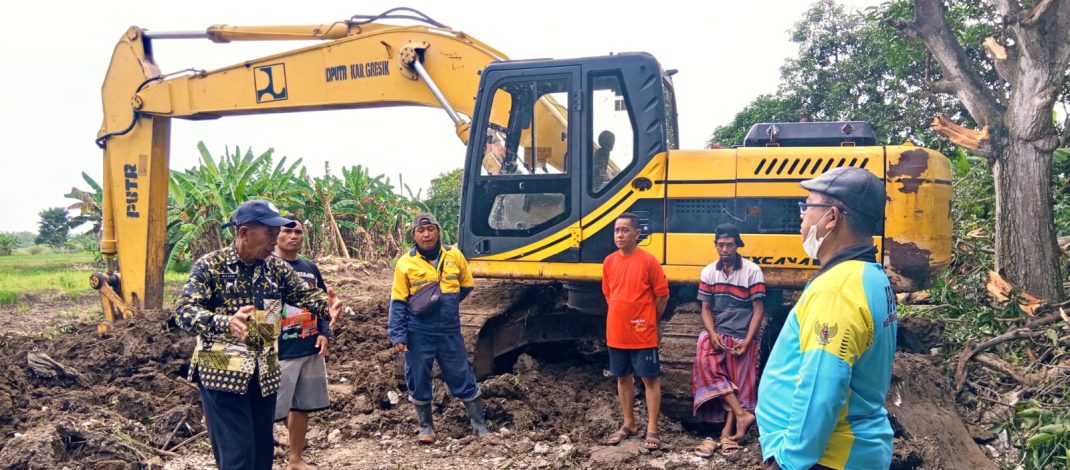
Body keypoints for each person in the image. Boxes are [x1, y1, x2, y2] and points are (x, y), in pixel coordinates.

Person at [173, 200, 339, 470]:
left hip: (264, 374)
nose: (276, 240)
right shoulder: (211, 266)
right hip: (222, 373)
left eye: (277, 233)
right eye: (270, 233)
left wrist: (326, 306)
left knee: (262, 455)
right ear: (244, 232)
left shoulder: (276, 268)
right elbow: (183, 311)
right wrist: (224, 321)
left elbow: (304, 295)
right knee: (238, 456)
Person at [756, 167, 898, 470]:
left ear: (832, 217)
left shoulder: (837, 291)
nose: (803, 215)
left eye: (808, 206)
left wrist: (789, 461)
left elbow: (822, 386)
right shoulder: (869, 276)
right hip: (850, 451)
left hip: (827, 458)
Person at [387, 213, 490, 444]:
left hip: (449, 330)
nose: (426, 234)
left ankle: (479, 426)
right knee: (418, 375)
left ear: (438, 231)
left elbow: (467, 285)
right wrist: (398, 335)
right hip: (418, 331)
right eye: (421, 231)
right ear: (414, 235)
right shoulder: (405, 263)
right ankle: (426, 428)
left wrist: (445, 303)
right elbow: (398, 301)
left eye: (431, 229)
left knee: (461, 373)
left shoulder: (454, 256)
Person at [692, 223, 766, 458]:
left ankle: (726, 433)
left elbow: (758, 309)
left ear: (737, 246)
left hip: (742, 334)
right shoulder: (709, 272)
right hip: (718, 331)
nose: (725, 249)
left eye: (730, 244)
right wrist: (712, 334)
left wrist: (747, 340)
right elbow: (705, 309)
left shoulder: (752, 271)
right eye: (721, 244)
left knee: (737, 380)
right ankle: (742, 415)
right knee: (706, 364)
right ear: (715, 245)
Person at [273, 220, 342, 470]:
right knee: (272, 409)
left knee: (302, 406)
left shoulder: (309, 267)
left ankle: (295, 459)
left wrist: (324, 331)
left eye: (298, 232)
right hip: (280, 351)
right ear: (275, 234)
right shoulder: (268, 266)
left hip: (309, 347)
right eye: (287, 231)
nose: (293, 236)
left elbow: (323, 301)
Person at [601, 212, 670, 451]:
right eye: (616, 230)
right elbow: (609, 294)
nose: (619, 235)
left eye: (625, 230)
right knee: (622, 377)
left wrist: (650, 319)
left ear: (637, 234)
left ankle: (652, 427)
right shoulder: (609, 261)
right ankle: (629, 423)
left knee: (650, 378)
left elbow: (662, 294)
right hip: (616, 333)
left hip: (643, 333)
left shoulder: (649, 261)